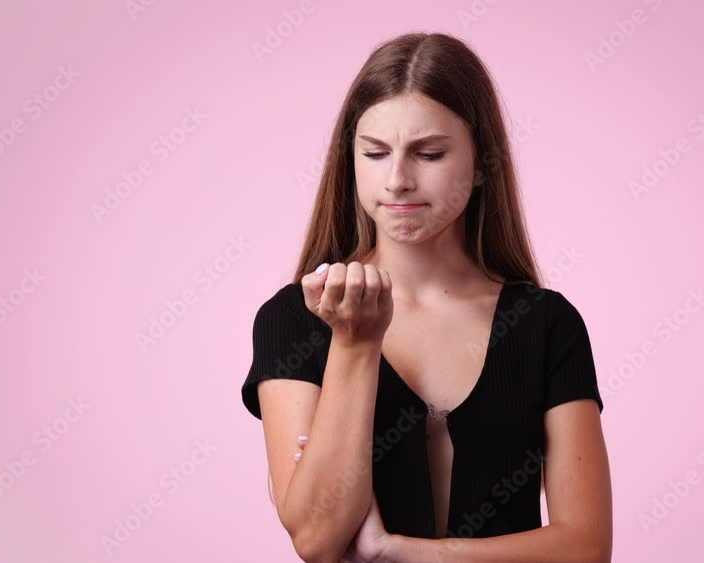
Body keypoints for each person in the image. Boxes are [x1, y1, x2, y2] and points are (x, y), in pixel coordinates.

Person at [241, 32, 612, 563]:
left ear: (481, 163)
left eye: (429, 153)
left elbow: (586, 548)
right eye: (375, 153)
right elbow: (317, 539)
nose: (397, 180)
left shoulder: (547, 323)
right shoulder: (295, 318)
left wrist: (402, 553)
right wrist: (354, 343)